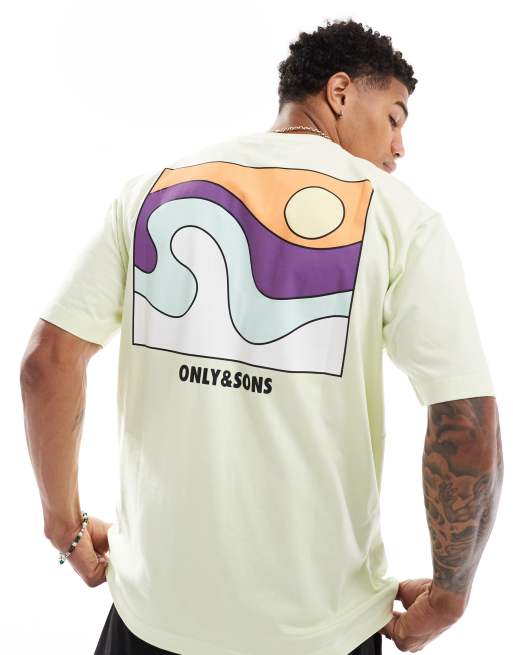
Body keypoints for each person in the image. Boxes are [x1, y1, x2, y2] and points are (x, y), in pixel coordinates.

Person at [19, 16, 503, 655]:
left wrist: (65, 525)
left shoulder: (155, 190)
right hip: (321, 631)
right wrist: (450, 595)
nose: (399, 147)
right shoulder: (398, 216)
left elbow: (48, 362)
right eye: (394, 118)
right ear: (339, 92)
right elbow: (466, 424)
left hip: (153, 615)